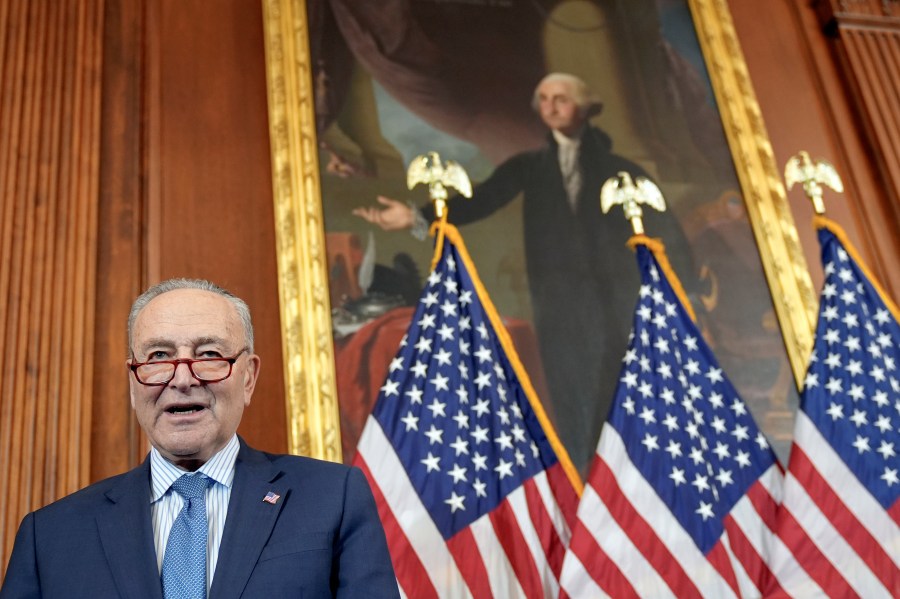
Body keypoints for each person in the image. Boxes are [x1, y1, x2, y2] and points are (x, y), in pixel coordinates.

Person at [354, 73, 695, 474]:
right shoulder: (530, 167)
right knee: (569, 390)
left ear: (584, 108)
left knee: (623, 386)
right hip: (559, 306)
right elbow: (482, 200)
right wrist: (416, 216)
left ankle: (630, 478)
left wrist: (688, 290)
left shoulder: (622, 171)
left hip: (616, 302)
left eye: (561, 99)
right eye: (544, 99)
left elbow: (666, 233)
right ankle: (584, 476)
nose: (550, 107)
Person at [0, 278, 399, 599]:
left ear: (248, 377)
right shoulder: (49, 537)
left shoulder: (334, 498)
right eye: (158, 357)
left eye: (208, 354)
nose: (183, 378)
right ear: (133, 381)